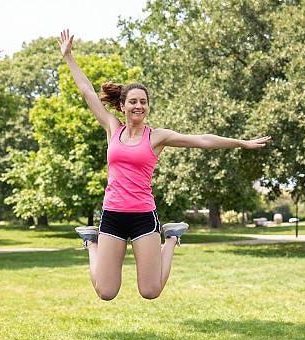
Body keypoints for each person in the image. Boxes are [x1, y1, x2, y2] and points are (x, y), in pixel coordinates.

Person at [59, 29, 271, 301]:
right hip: (112, 215)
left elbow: (203, 140)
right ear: (122, 106)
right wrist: (69, 58)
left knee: (150, 291)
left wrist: (240, 143)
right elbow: (87, 91)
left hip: (143, 216)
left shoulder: (157, 137)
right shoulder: (112, 128)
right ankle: (90, 241)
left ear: (147, 107)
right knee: (106, 292)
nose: (139, 106)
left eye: (143, 102)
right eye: (133, 101)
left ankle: (172, 237)